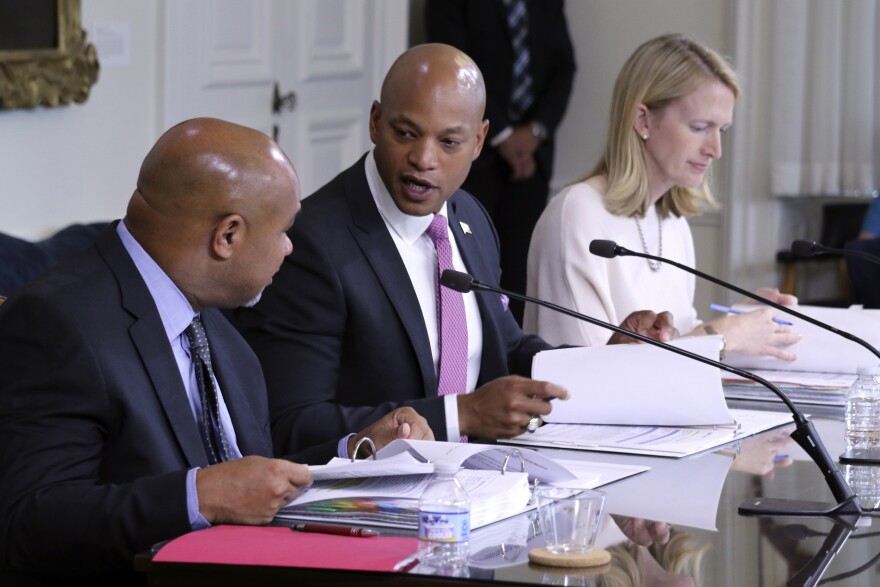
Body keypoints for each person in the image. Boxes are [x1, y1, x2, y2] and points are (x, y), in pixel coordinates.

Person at [0, 118, 432, 583]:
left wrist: (356, 452)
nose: (289, 248)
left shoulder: (218, 328)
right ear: (227, 236)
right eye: (284, 230)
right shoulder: (57, 323)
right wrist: (199, 497)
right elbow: (28, 523)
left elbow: (246, 474)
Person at [235, 44, 674, 456]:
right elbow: (288, 425)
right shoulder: (313, 242)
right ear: (375, 122)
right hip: (369, 511)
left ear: (479, 141)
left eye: (449, 142)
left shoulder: (469, 218)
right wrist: (459, 414)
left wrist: (602, 364)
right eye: (406, 133)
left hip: (478, 489)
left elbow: (505, 348)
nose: (424, 159)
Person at [525, 33, 802, 361]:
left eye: (721, 130)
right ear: (643, 119)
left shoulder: (672, 223)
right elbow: (585, 375)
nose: (715, 149)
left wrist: (740, 320)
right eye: (700, 127)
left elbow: (676, 347)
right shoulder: (576, 214)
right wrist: (723, 335)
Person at [424, 0, 577, 324]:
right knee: (468, 266)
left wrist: (534, 132)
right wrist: (503, 134)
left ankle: (512, 361)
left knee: (519, 274)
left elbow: (564, 67)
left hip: (533, 160)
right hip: (473, 156)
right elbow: (450, 64)